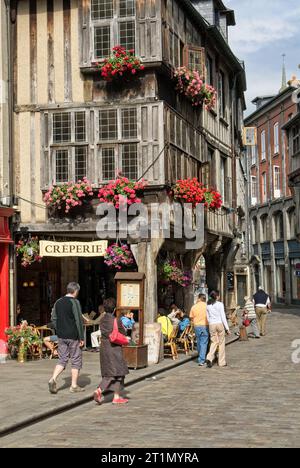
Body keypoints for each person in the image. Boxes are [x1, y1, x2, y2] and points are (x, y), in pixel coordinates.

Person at [48, 282, 85, 395]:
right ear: (76, 291)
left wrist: (58, 329)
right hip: (73, 335)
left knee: (62, 359)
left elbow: (53, 318)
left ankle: (53, 379)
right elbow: (78, 321)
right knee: (76, 359)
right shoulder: (75, 302)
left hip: (61, 335)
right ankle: (73, 385)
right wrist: (81, 337)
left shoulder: (58, 302)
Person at [93, 298, 130, 406]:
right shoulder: (115, 320)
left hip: (104, 347)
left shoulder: (102, 319)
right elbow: (122, 332)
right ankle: (99, 390)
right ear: (114, 308)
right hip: (114, 348)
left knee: (114, 372)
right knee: (115, 372)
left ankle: (116, 397)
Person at [206, 291, 230, 368]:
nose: (219, 297)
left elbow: (207, 317)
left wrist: (211, 323)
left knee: (214, 342)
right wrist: (227, 328)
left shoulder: (208, 305)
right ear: (216, 297)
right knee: (221, 343)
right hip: (219, 324)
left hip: (212, 324)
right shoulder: (220, 304)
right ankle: (221, 362)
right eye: (218, 296)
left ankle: (209, 357)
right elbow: (223, 317)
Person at [190, 294, 209, 367]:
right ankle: (201, 360)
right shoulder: (207, 306)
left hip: (197, 326)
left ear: (199, 298)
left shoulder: (194, 307)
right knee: (204, 342)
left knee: (199, 342)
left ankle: (200, 357)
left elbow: (191, 317)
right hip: (205, 325)